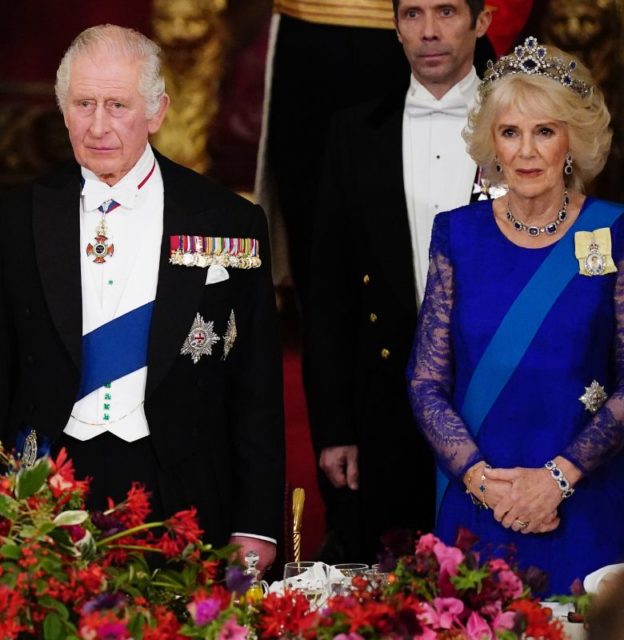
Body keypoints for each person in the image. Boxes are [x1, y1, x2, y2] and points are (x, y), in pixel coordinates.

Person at [0, 25, 285, 572]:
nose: (99, 126)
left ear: (157, 112)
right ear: (63, 111)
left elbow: (256, 390)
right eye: (84, 104)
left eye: (118, 105)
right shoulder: (18, 220)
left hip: (179, 485)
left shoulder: (228, 221)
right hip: (47, 485)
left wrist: (255, 524)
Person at [406, 38, 624, 594]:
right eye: (510, 132)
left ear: (572, 142)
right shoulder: (457, 234)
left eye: (545, 131)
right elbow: (425, 380)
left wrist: (558, 479)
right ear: (493, 143)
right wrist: (484, 483)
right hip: (481, 504)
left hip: (587, 504)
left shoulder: (617, 230)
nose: (527, 151)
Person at [304, 0, 493, 563]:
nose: (429, 32)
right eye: (412, 14)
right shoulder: (354, 131)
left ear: (482, 21)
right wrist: (336, 427)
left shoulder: (529, 127)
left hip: (496, 395)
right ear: (394, 26)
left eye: (446, 11)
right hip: (386, 404)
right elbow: (329, 293)